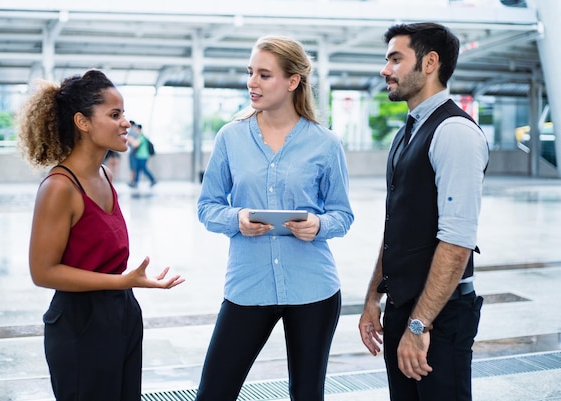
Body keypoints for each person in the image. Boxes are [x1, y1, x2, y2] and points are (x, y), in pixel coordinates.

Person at [195, 35, 354, 400]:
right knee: (214, 392)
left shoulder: (325, 143)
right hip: (248, 287)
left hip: (314, 288)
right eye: (251, 72)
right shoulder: (230, 138)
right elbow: (207, 207)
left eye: (264, 74)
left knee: (307, 394)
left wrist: (319, 225)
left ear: (292, 81)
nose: (252, 82)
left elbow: (342, 215)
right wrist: (238, 219)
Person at [17, 69, 185, 401]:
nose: (126, 123)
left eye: (124, 113)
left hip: (121, 314)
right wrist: (122, 282)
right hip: (80, 325)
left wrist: (125, 290)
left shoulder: (105, 174)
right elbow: (43, 272)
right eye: (114, 114)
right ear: (83, 122)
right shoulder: (59, 187)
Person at [357, 22, 489, 401]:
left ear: (430, 63)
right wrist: (372, 299)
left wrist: (419, 326)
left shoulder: (454, 134)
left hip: (439, 317)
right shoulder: (407, 132)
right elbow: (397, 225)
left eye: (396, 59)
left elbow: (457, 242)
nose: (385, 70)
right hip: (406, 309)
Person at [127, 123, 157, 188]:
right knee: (138, 169)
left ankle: (153, 179)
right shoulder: (142, 136)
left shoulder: (141, 137)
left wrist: (131, 139)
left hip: (142, 156)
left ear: (139, 129)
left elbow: (135, 144)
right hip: (140, 156)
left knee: (143, 169)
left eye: (136, 129)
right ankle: (135, 182)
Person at [127, 120, 138, 185]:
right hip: (136, 152)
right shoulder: (137, 130)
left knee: (133, 167)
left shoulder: (132, 131)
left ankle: (132, 181)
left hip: (133, 151)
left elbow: (130, 141)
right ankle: (134, 181)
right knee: (135, 167)